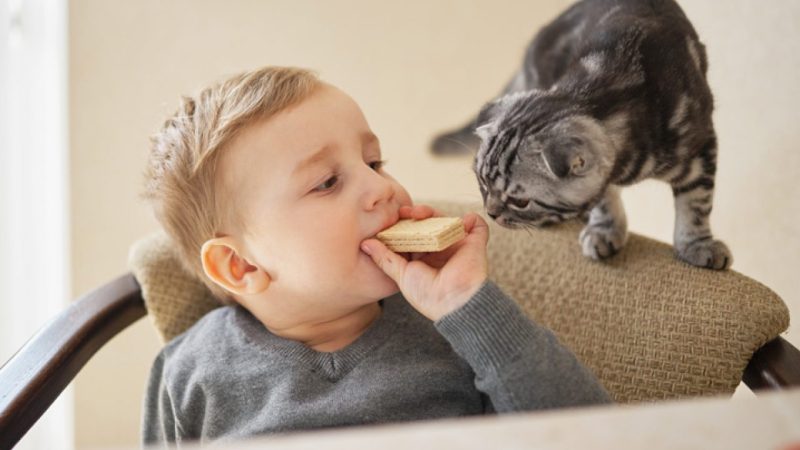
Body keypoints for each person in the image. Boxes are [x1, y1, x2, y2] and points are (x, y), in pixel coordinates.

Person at [141, 66, 611, 446]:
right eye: (327, 182)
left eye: (373, 162)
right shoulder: (190, 371)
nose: (382, 188)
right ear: (240, 266)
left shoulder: (459, 329)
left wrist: (470, 305)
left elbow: (596, 436)